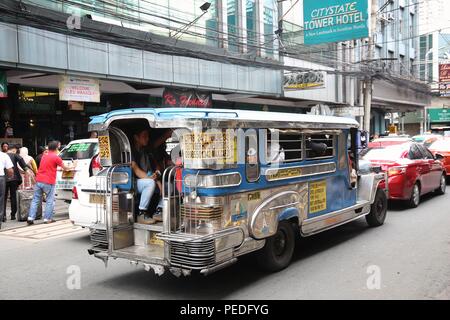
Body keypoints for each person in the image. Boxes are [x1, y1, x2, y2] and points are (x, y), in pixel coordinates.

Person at [27, 141, 76, 225]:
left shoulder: (44, 156)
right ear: (56, 148)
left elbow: (48, 167)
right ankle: (47, 219)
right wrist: (74, 165)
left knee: (35, 200)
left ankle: (30, 218)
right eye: (59, 147)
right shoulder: (56, 157)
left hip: (39, 180)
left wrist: (57, 169)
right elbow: (66, 168)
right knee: (50, 200)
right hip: (48, 181)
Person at [131, 127, 161, 225]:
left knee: (168, 185)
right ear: (136, 137)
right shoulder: (132, 151)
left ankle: (159, 211)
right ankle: (141, 213)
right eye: (144, 136)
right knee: (150, 183)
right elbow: (137, 171)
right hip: (133, 183)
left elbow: (150, 170)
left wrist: (158, 180)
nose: (147, 138)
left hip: (143, 180)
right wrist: (153, 179)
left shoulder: (145, 151)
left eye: (148, 136)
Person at [4, 144, 35, 221]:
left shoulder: (2, 155)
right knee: (13, 196)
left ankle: (3, 215)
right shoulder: (15, 155)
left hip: (3, 178)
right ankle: (13, 215)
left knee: (3, 197)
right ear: (14, 149)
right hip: (14, 179)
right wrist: (27, 170)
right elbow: (22, 161)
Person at [0, 151, 13, 228]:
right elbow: (10, 170)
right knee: (1, 199)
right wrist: (9, 177)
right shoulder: (3, 155)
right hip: (0, 178)